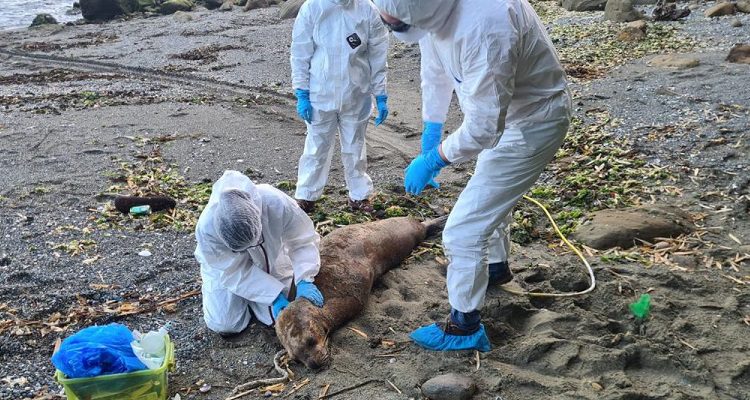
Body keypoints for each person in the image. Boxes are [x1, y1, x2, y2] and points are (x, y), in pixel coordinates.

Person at [373, 0, 572, 351]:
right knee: (488, 202)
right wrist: (432, 129)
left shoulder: (485, 26)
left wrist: (434, 159)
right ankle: (494, 268)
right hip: (507, 115)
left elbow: (484, 128)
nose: (385, 21)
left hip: (532, 122)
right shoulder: (431, 10)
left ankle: (464, 327)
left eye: (393, 20)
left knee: (463, 231)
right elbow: (435, 68)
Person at [194, 170, 325, 336]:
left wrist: (305, 278)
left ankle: (258, 296)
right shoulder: (207, 229)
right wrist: (274, 296)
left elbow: (302, 239)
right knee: (226, 323)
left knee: (284, 307)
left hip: (272, 252)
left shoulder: (275, 202)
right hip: (224, 267)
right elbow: (232, 271)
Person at [291, 0, 390, 213]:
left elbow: (378, 54)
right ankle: (306, 195)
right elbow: (300, 52)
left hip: (356, 93)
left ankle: (359, 195)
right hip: (320, 92)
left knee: (355, 146)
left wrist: (380, 93)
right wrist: (302, 92)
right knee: (316, 146)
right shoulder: (313, 8)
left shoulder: (367, 10)